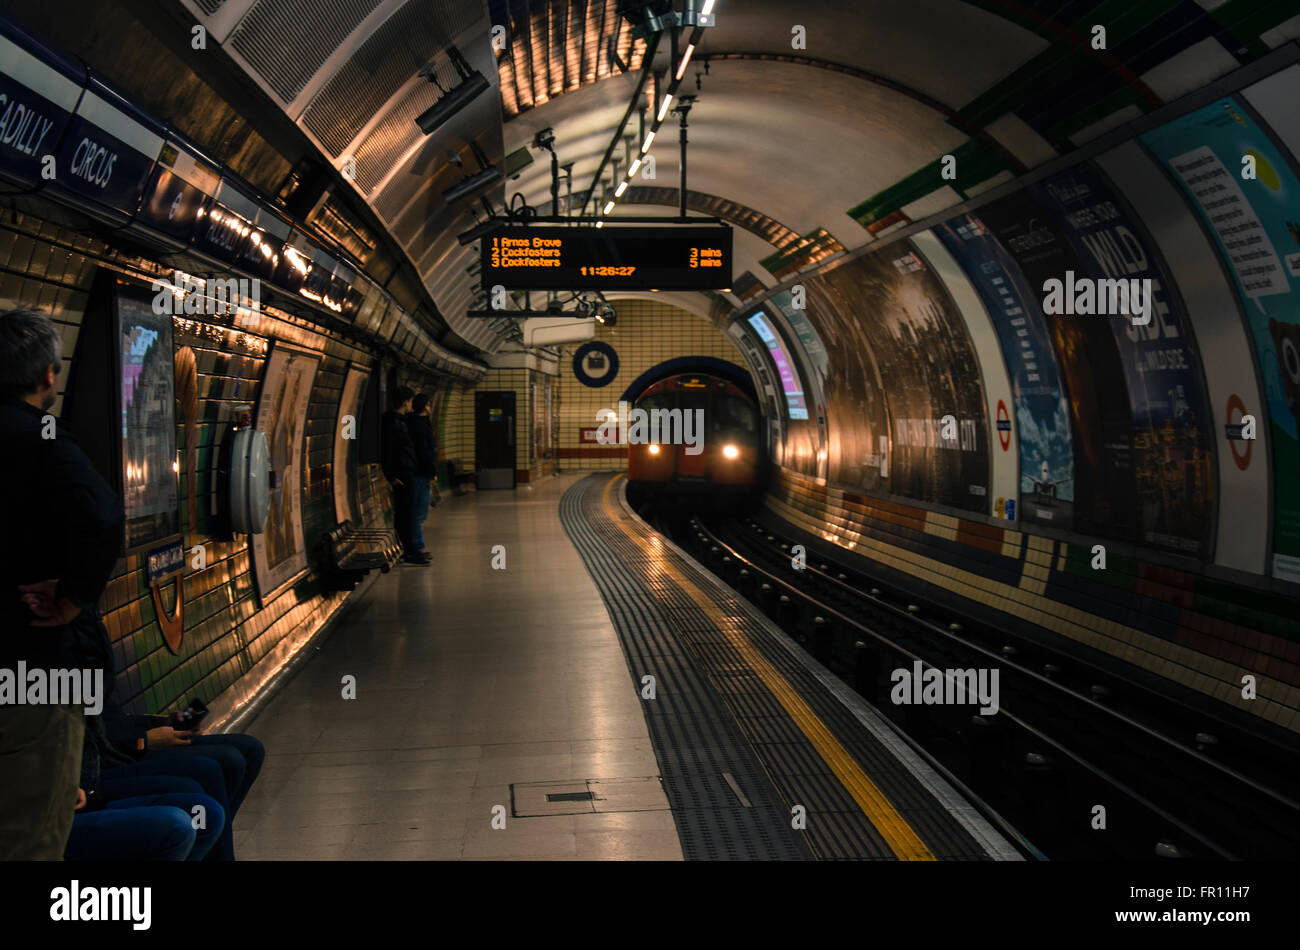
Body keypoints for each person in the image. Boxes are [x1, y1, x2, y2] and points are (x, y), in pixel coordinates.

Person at [0, 309, 123, 860]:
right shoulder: (43, 439)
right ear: (49, 374)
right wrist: (72, 598)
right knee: (33, 835)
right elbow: (102, 517)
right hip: (31, 671)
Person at [381, 386, 427, 565]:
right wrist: (391, 476)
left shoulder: (399, 421)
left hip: (405, 472)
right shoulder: (393, 423)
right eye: (410, 401)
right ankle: (409, 552)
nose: (411, 405)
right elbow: (388, 451)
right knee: (405, 515)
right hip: (401, 475)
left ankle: (410, 550)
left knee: (407, 513)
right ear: (405, 401)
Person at [406, 393, 437, 557]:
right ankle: (417, 547)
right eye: (429, 404)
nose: (430, 407)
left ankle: (415, 545)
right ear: (425, 406)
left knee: (418, 512)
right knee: (418, 512)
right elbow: (424, 452)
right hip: (420, 473)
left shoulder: (414, 423)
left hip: (418, 472)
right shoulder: (419, 426)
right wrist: (432, 472)